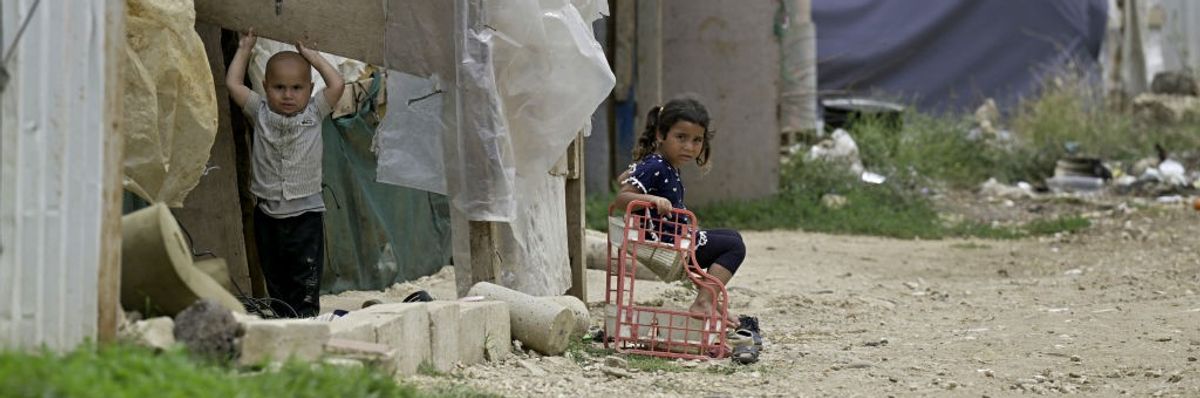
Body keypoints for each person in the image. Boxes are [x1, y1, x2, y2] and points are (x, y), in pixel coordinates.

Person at [611, 97, 761, 363]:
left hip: (680, 241)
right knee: (734, 246)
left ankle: (709, 301)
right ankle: (704, 303)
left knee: (731, 236)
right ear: (661, 134)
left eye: (697, 140)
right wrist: (652, 200)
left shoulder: (663, 166)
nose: (689, 147)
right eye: (681, 137)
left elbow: (628, 177)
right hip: (669, 244)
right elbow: (623, 198)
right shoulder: (657, 165)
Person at [225, 29, 344, 318]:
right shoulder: (260, 111)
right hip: (268, 216)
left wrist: (312, 57)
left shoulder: (314, 112)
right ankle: (282, 318)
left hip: (306, 216)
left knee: (305, 276)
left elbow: (337, 84)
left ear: (309, 87)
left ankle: (306, 320)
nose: (288, 95)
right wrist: (244, 48)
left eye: (296, 88)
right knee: (275, 276)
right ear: (266, 87)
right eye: (279, 87)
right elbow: (233, 84)